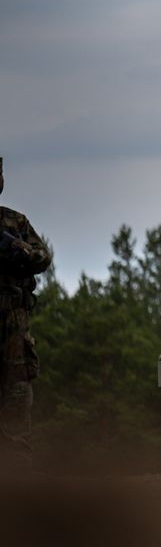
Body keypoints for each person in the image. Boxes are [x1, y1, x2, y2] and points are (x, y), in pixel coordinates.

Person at [0, 157, 52, 456]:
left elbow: (42, 257)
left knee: (17, 387)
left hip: (12, 320)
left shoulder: (14, 222)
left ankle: (17, 461)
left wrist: (18, 251)